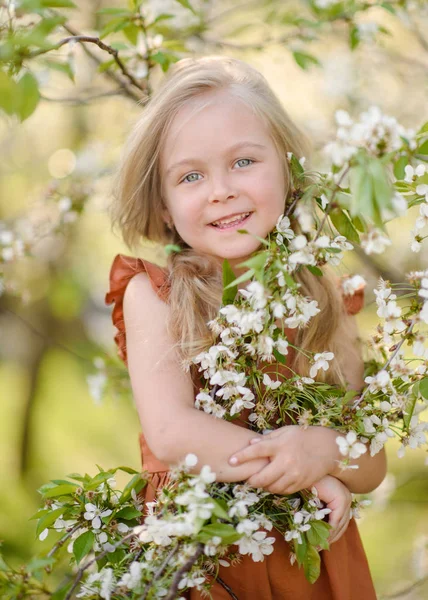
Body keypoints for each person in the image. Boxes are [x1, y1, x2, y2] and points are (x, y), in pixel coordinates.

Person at [105, 56, 385, 599]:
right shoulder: (156, 295)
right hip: (212, 556)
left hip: (315, 567)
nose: (220, 191)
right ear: (163, 206)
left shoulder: (321, 295)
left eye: (243, 162)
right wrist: (300, 471)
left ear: (286, 169)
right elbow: (172, 432)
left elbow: (370, 458)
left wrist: (325, 454)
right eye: (191, 175)